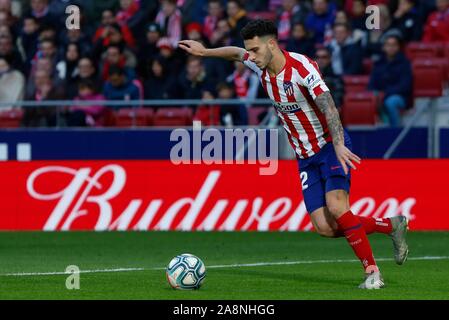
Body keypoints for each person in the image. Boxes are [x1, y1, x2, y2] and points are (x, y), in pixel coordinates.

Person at [179, 19, 409, 289]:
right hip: (305, 155)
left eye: (254, 50)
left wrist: (337, 144)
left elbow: (329, 106)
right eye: (249, 51)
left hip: (329, 146)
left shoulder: (302, 68)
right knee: (324, 227)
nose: (250, 57)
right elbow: (235, 53)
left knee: (338, 208)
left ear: (272, 44)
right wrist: (205, 52)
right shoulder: (260, 62)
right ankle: (391, 225)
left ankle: (372, 273)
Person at [368, 35, 413, 126]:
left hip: (399, 97)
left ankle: (394, 131)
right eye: (388, 45)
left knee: (391, 102)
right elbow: (372, 84)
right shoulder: (378, 64)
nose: (391, 47)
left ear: (398, 47)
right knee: (369, 100)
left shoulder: (405, 63)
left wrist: (385, 94)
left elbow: (405, 86)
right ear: (384, 47)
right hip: (381, 96)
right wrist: (375, 94)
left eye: (394, 45)